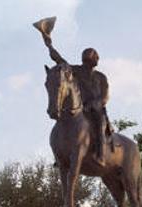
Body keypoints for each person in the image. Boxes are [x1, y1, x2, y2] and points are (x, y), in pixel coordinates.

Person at [41, 31, 112, 163]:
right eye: (90, 58)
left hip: (95, 109)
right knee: (63, 118)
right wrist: (49, 45)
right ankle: (60, 154)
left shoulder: (101, 77)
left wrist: (95, 104)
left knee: (99, 122)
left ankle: (100, 154)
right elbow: (59, 60)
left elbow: (105, 96)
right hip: (78, 107)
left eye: (93, 58)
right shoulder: (76, 71)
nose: (92, 60)